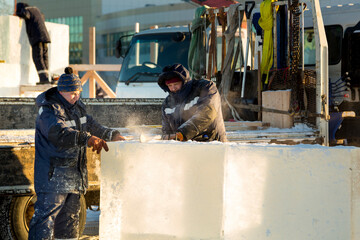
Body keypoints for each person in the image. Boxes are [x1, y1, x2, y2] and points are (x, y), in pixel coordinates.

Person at [28, 67, 125, 239]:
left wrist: (111, 134)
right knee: (45, 221)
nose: (76, 96)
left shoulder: (77, 107)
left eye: (78, 92)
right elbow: (58, 133)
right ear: (61, 91)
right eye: (72, 93)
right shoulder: (49, 110)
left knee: (70, 221)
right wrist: (87, 139)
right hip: (54, 176)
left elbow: (91, 124)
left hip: (74, 175)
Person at [158, 63, 227, 142]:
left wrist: (183, 133)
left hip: (212, 144)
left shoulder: (205, 87)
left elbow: (208, 113)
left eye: (176, 84)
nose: (173, 88)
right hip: (184, 148)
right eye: (169, 85)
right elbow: (167, 131)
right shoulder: (167, 104)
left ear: (184, 81)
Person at [16, 2, 52, 85]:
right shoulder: (36, 10)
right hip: (45, 36)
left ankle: (44, 79)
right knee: (44, 57)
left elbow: (25, 15)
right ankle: (46, 77)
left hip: (37, 37)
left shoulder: (27, 10)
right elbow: (42, 16)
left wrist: (18, 13)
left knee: (38, 58)